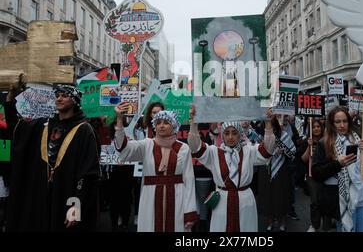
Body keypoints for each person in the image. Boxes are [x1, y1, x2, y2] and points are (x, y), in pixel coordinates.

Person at [5, 81, 100, 231]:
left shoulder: (84, 130)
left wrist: (76, 205)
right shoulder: (44, 126)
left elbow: (87, 174)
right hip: (42, 198)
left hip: (67, 197)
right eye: (57, 95)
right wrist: (11, 100)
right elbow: (17, 130)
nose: (59, 99)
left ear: (74, 101)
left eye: (64, 96)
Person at [188, 106, 276, 232]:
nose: (230, 137)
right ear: (222, 136)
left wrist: (268, 123)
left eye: (234, 133)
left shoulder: (249, 150)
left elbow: (268, 150)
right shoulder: (214, 152)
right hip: (222, 200)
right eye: (227, 133)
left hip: (245, 200)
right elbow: (195, 147)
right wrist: (194, 123)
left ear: (240, 135)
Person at [113, 102, 198, 232]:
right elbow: (124, 150)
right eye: (158, 123)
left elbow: (189, 180)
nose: (161, 126)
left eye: (165, 122)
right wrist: (119, 119)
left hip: (177, 199)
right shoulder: (147, 145)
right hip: (150, 199)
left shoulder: (183, 148)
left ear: (173, 125)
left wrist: (190, 211)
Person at [312, 106, 363, 232]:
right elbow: (316, 173)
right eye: (337, 122)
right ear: (331, 124)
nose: (342, 125)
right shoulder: (324, 143)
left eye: (345, 121)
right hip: (343, 202)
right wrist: (338, 164)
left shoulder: (360, 138)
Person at [258, 116, 297, 232]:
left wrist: (283, 151)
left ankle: (282, 223)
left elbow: (293, 153)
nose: (271, 129)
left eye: (273, 127)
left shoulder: (284, 136)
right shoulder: (262, 136)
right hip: (265, 169)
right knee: (267, 196)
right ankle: (270, 222)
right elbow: (257, 151)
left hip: (281, 170)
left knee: (282, 196)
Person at [299, 118, 325, 232]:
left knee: (325, 200)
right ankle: (314, 225)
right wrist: (309, 147)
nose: (316, 129)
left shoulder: (327, 140)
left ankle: (327, 224)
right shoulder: (306, 141)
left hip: (326, 174)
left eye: (318, 126)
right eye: (313, 127)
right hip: (311, 175)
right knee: (314, 201)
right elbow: (304, 159)